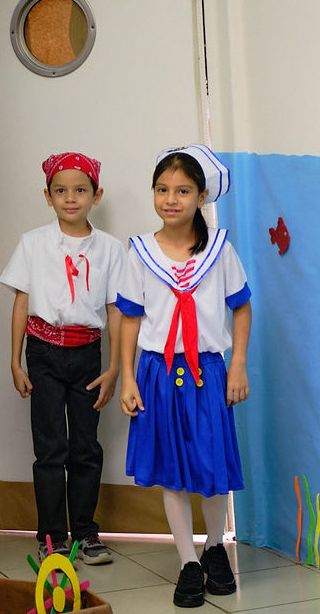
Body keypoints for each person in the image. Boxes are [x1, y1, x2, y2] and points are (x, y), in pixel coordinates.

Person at [117, 145, 251, 608]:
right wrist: (128, 378)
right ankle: (187, 561)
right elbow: (129, 319)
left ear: (201, 197)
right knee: (172, 472)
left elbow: (241, 307)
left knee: (212, 467)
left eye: (182, 191)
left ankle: (214, 547)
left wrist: (237, 365)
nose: (170, 199)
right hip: (158, 373)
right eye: (162, 189)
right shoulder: (140, 253)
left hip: (207, 372)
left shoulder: (220, 250)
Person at [0, 152, 125, 565]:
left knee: (86, 447)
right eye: (60, 191)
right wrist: (15, 361)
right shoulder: (32, 243)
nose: (70, 198)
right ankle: (52, 537)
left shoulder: (110, 249)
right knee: (50, 449)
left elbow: (115, 311)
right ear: (48, 196)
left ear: (96, 195)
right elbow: (21, 303)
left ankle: (86, 533)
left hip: (88, 355)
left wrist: (114, 368)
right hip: (43, 353)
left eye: (80, 190)